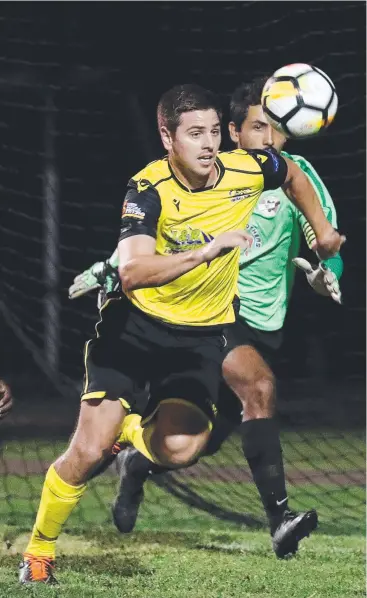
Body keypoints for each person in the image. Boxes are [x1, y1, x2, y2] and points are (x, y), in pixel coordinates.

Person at [20, 83, 344, 585]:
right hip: (134, 332)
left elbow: (293, 175)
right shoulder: (146, 189)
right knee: (85, 452)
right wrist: (205, 252)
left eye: (214, 132)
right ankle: (38, 553)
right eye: (195, 134)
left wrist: (322, 234)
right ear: (167, 137)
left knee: (182, 449)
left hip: (199, 340)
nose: (209, 144)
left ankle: (129, 436)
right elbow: (132, 272)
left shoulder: (248, 168)